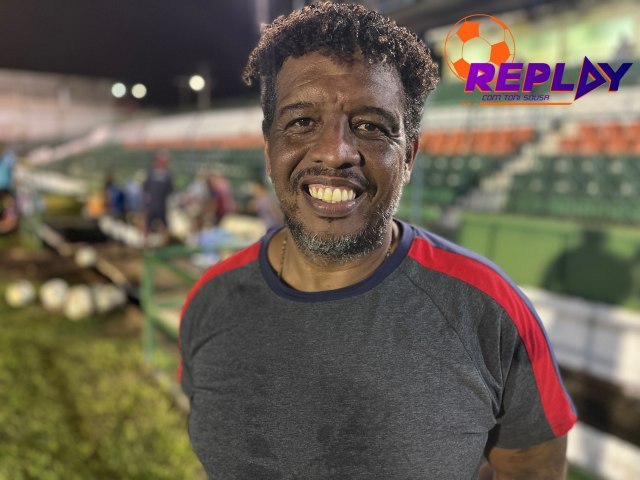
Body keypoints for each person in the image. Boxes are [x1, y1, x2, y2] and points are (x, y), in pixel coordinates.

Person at [179, 3, 576, 479]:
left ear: (408, 158)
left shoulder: (490, 311)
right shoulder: (211, 299)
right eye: (301, 122)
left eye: (370, 126)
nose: (336, 152)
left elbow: (533, 469)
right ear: (269, 151)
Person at [143, 150, 173, 239]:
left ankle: (166, 239)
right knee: (151, 222)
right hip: (156, 204)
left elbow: (170, 190)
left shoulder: (164, 175)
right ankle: (147, 240)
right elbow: (145, 188)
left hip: (158, 204)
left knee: (161, 222)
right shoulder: (153, 173)